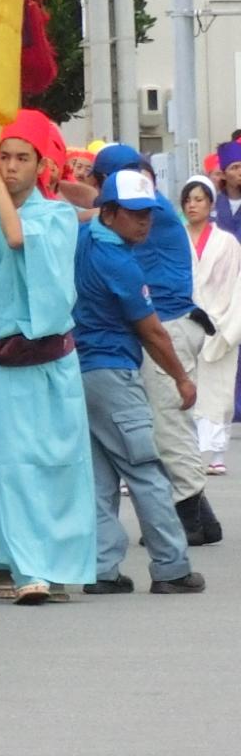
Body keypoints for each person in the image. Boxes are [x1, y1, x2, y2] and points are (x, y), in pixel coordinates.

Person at [74, 165, 204, 594]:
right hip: (113, 371)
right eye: (134, 212)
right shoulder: (119, 264)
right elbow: (153, 332)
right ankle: (171, 568)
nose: (144, 220)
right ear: (110, 212)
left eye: (147, 211)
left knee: (100, 477)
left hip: (81, 370)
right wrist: (182, 379)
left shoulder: (87, 238)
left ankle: (102, 570)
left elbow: (77, 208)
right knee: (146, 470)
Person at [96, 145, 224, 547]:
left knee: (168, 425)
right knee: (168, 422)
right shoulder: (154, 206)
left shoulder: (148, 210)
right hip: (175, 323)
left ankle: (189, 518)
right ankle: (202, 520)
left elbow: (88, 208)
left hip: (168, 325)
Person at [181, 174, 241, 471]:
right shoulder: (177, 238)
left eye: (198, 199)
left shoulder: (227, 242)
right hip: (186, 320)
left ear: (210, 203)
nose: (192, 205)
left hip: (220, 319)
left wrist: (222, 319)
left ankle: (217, 453)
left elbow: (233, 283)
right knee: (187, 388)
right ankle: (191, 451)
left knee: (219, 389)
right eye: (188, 200)